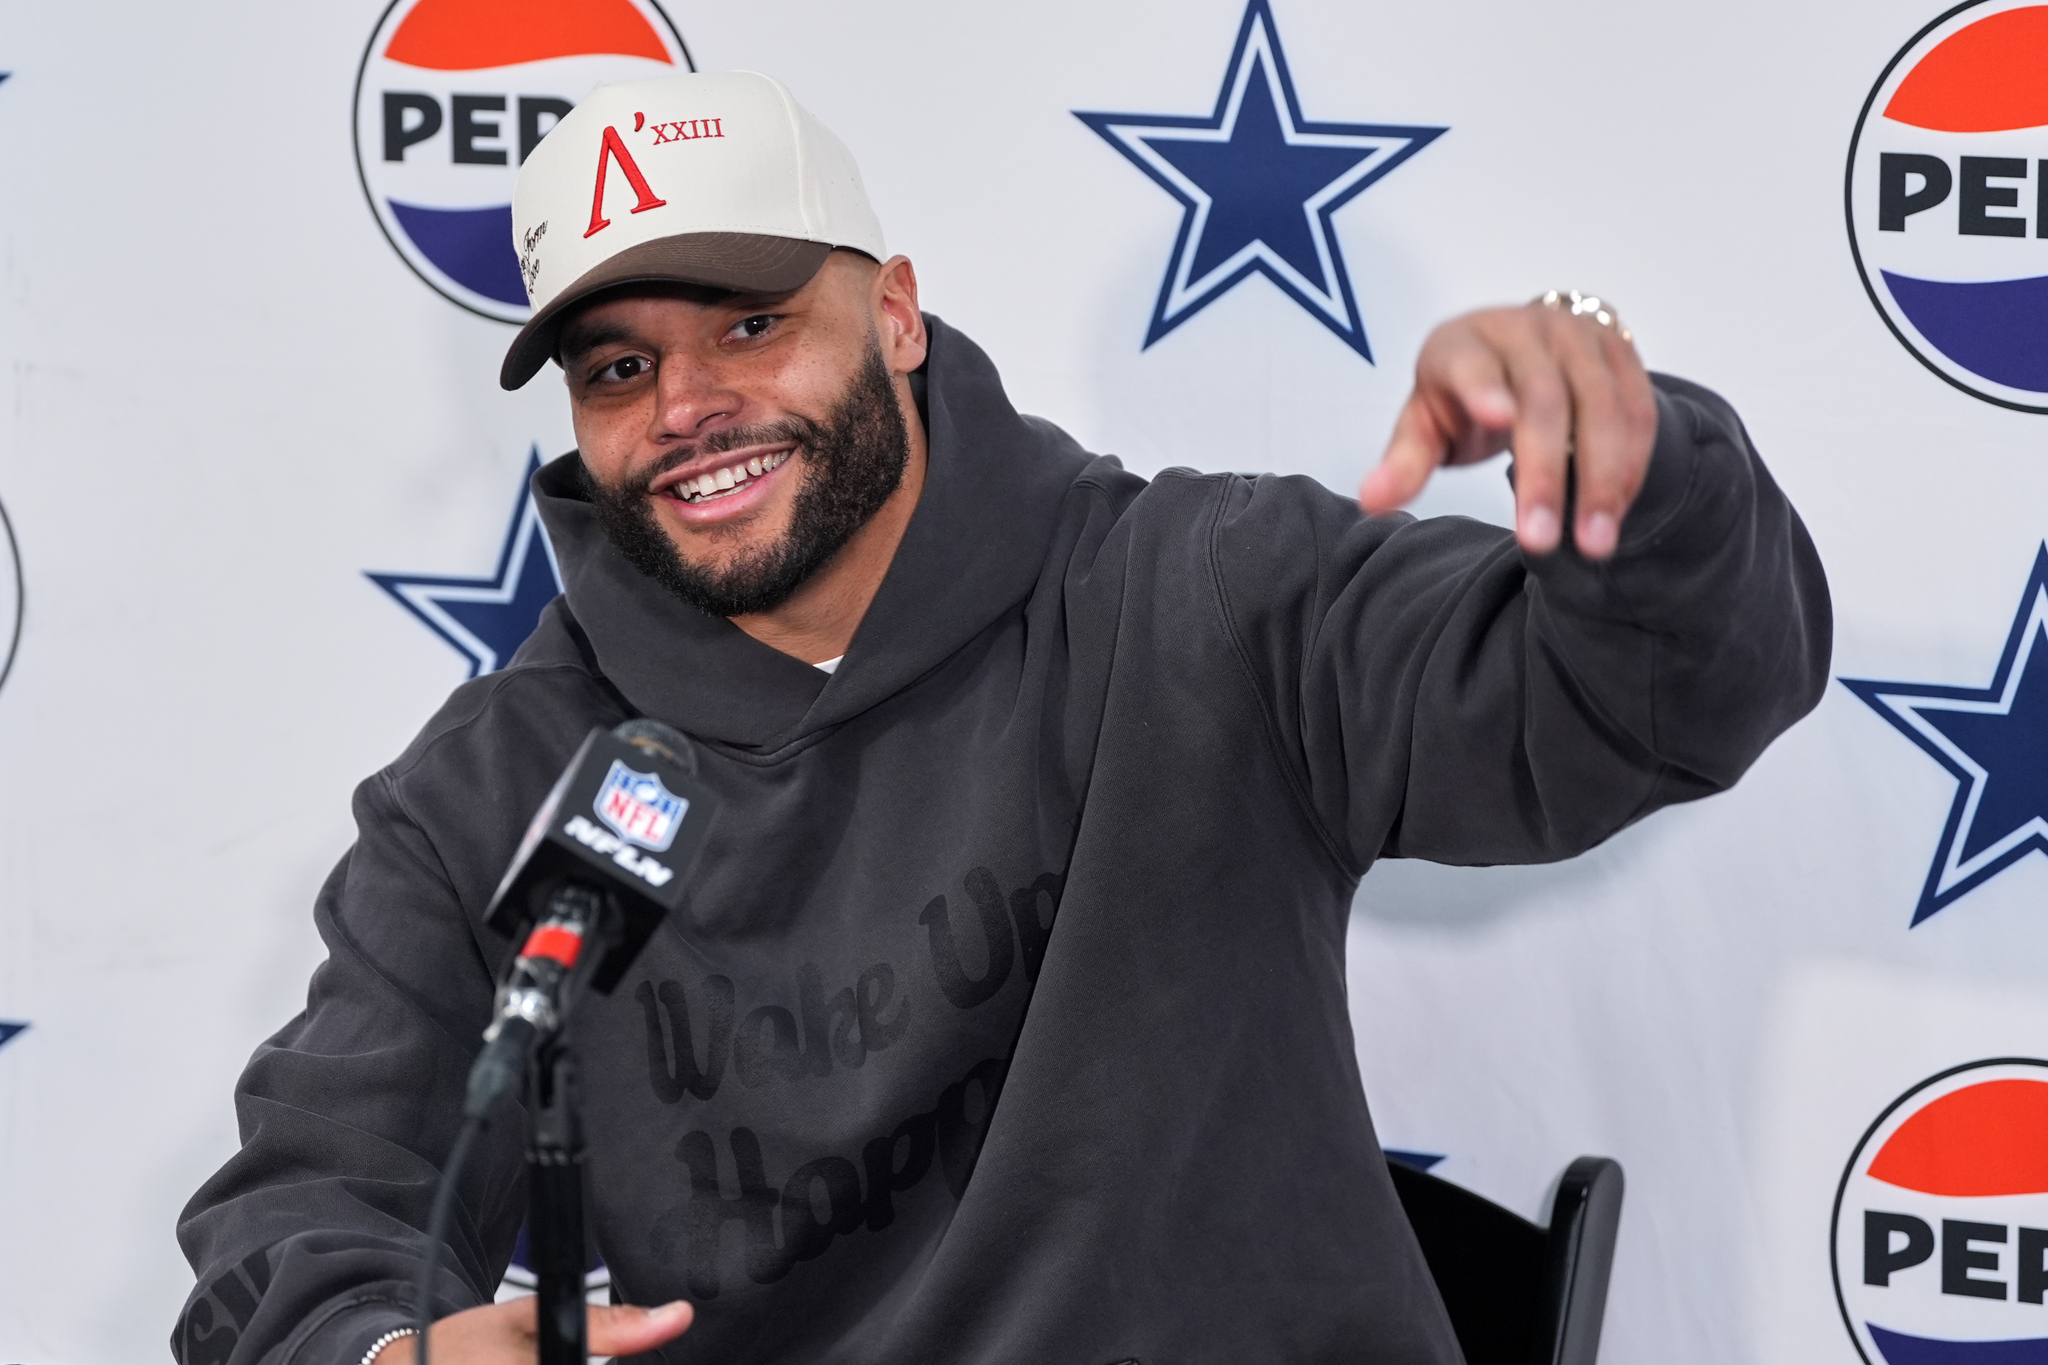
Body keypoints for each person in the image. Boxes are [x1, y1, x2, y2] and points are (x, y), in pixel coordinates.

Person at [174, 70, 1829, 1365]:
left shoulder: (1196, 594)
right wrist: (384, 1347)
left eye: (751, 321)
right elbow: (303, 1209)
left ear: (895, 312)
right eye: (617, 368)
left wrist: (1640, 472)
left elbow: (1670, 698)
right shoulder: (503, 789)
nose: (686, 407)